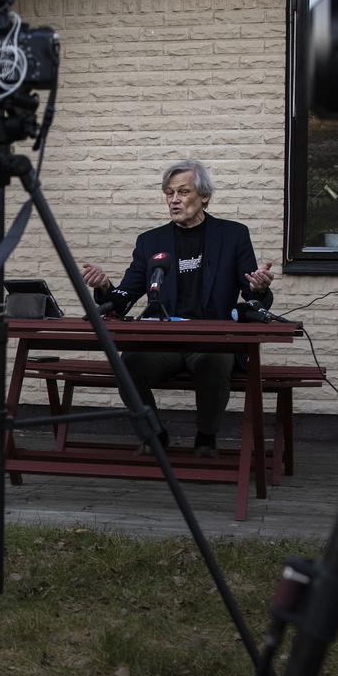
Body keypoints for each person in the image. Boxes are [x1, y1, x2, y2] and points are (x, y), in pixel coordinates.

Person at [80, 159, 274, 456]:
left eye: (183, 192)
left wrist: (259, 287)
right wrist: (104, 286)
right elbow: (126, 294)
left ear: (204, 196)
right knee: (126, 365)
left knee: (215, 361)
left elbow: (252, 293)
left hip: (211, 340)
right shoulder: (150, 241)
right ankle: (154, 433)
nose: (174, 200)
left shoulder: (233, 235)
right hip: (164, 340)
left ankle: (206, 436)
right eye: (169, 193)